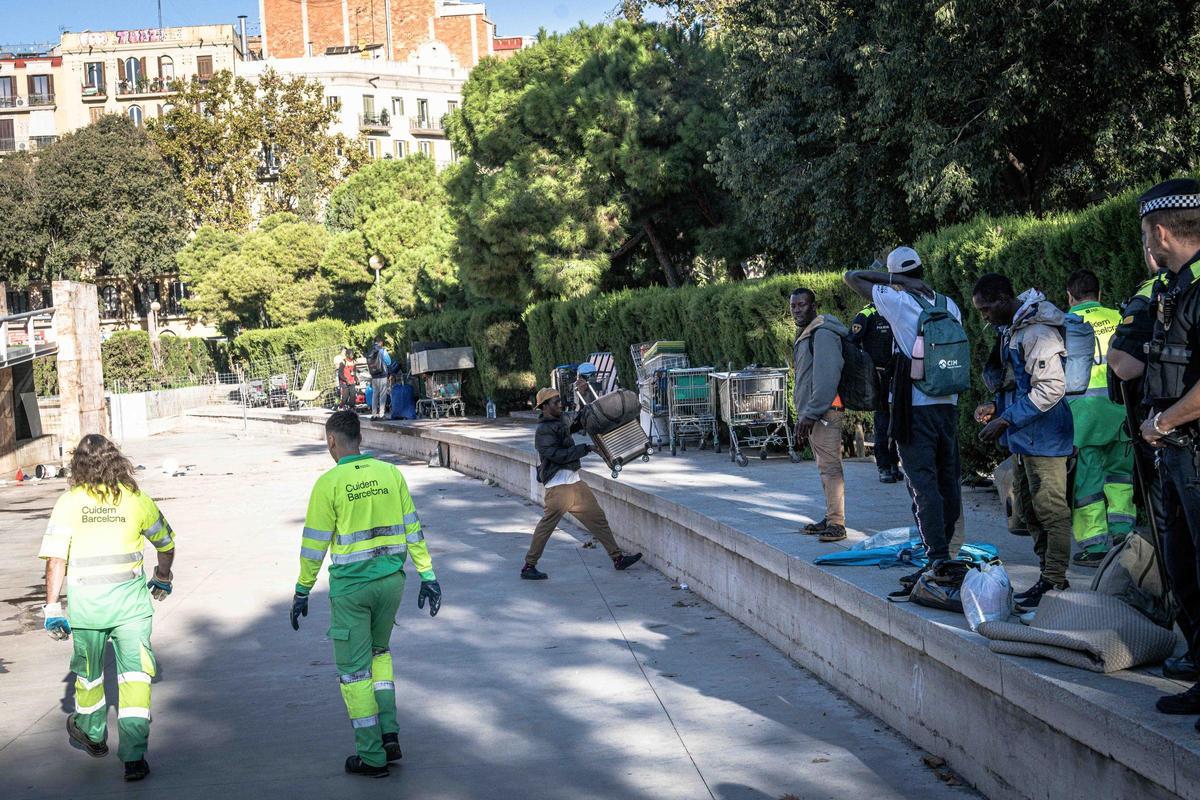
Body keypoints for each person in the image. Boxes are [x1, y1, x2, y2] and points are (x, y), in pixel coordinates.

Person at [290, 410, 442, 777]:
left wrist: (302, 590)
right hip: (392, 584)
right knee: (380, 654)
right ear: (361, 438)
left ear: (331, 441)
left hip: (352, 591)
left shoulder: (330, 483)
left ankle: (372, 756)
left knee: (354, 674)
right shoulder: (391, 474)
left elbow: (314, 546)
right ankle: (389, 733)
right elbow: (413, 529)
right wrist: (428, 575)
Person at [38, 434, 177, 782]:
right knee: (135, 678)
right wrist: (162, 576)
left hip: (88, 611)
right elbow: (166, 542)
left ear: (77, 465)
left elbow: (56, 560)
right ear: (118, 461)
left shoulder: (69, 503)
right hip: (131, 609)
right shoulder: (135, 499)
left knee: (87, 676)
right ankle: (133, 758)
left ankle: (93, 733)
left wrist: (52, 607)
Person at [844, 247, 963, 596]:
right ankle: (948, 550)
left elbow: (852, 277)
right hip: (948, 401)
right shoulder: (948, 302)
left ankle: (937, 558)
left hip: (915, 405)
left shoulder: (897, 302)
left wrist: (896, 281)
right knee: (947, 478)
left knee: (921, 481)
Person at [1133, 178, 1200, 723]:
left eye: (1144, 234)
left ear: (1159, 231)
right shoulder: (1173, 287)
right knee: (1183, 566)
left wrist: (1163, 421)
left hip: (1191, 448)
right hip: (1175, 455)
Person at [972, 274, 1074, 611]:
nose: (984, 316)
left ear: (1003, 298)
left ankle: (1056, 580)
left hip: (1045, 436)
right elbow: (1019, 384)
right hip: (1025, 437)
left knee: (1051, 510)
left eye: (986, 309)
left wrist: (1004, 419)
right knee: (1029, 510)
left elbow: (1050, 388)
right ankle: (1048, 575)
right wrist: (996, 408)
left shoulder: (1037, 331)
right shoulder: (1014, 329)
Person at [522, 385, 643, 580]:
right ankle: (529, 566)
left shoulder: (560, 420)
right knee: (546, 528)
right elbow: (556, 455)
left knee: (598, 520)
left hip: (576, 485)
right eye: (556, 402)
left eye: (560, 401)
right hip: (559, 489)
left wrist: (589, 414)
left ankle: (618, 559)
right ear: (544, 406)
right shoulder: (543, 431)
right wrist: (584, 449)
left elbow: (575, 423)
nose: (560, 404)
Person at [1063, 269, 1135, 567]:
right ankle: (1124, 536)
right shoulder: (1121, 317)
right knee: (1121, 477)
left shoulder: (1067, 323)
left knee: (1087, 483)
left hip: (1084, 418)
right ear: (1099, 293)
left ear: (1070, 297)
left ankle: (1094, 546)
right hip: (1121, 412)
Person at [791, 287, 849, 542]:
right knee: (823, 468)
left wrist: (811, 413)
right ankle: (831, 516)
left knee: (830, 468)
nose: (796, 310)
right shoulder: (809, 333)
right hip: (814, 413)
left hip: (825, 412)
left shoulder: (823, 333)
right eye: (793, 306)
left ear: (814, 305)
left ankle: (837, 523)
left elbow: (827, 378)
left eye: (802, 305)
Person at [849, 301, 902, 483]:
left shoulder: (898, 307)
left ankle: (895, 462)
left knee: (900, 421)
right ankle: (884, 466)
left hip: (900, 373)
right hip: (879, 376)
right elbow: (852, 343)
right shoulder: (867, 313)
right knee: (882, 422)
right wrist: (866, 369)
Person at [366, 337, 392, 420]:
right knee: (382, 395)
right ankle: (381, 414)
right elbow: (388, 362)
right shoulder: (382, 351)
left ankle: (373, 415)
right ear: (380, 342)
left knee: (375, 395)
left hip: (374, 376)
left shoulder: (370, 351)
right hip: (382, 375)